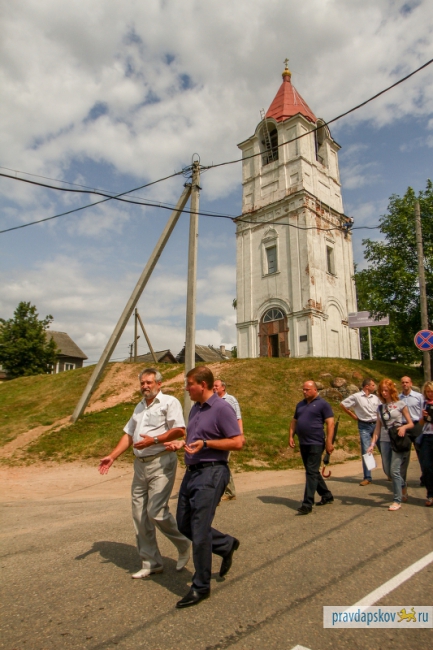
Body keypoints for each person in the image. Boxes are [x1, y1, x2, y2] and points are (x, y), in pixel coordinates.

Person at [98, 368, 191, 579]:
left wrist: (154, 440)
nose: (145, 386)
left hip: (161, 462)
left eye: (149, 382)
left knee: (156, 511)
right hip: (140, 465)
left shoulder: (169, 402)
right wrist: (112, 456)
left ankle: (183, 543)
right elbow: (128, 435)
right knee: (139, 514)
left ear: (159, 384)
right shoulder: (139, 407)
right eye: (142, 383)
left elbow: (179, 430)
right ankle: (151, 562)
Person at [164, 366, 244, 608]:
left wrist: (207, 444)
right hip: (192, 472)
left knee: (199, 529)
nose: (186, 388)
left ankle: (201, 587)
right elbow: (194, 437)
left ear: (203, 384)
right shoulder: (195, 408)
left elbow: (238, 442)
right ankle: (225, 544)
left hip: (212, 472)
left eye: (189, 384)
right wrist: (182, 444)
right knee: (184, 524)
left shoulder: (222, 408)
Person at [289, 381, 334, 515]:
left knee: (311, 472)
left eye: (307, 389)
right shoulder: (300, 404)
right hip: (303, 442)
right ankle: (326, 495)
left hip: (316, 442)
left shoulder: (323, 404)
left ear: (315, 390)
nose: (304, 392)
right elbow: (294, 421)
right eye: (303, 389)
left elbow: (330, 423)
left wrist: (329, 442)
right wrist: (291, 436)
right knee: (312, 471)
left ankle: (307, 503)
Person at [367, 378, 413, 511]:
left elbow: (410, 423)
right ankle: (403, 486)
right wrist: (372, 444)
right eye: (382, 390)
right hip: (384, 440)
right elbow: (377, 428)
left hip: (397, 439)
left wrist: (403, 427)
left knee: (394, 470)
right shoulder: (380, 408)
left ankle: (397, 500)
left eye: (386, 390)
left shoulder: (400, 404)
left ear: (391, 390)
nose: (384, 393)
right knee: (388, 471)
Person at [340, 378, 381, 486]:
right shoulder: (357, 397)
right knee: (366, 451)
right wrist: (353, 415)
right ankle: (367, 477)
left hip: (377, 425)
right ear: (367, 386)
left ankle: (390, 473)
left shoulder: (375, 397)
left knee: (384, 449)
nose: (374, 387)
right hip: (364, 426)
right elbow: (343, 404)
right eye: (373, 385)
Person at [213, 378, 243, 501]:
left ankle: (225, 492)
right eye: (213, 386)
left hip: (228, 437)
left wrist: (240, 435)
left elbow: (238, 418)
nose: (214, 388)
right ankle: (227, 491)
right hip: (216, 438)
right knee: (220, 462)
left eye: (216, 386)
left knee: (221, 463)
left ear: (223, 387)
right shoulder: (213, 400)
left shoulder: (230, 400)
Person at [399, 376, 424, 492]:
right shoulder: (398, 398)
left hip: (417, 425)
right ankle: (402, 482)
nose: (405, 384)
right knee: (404, 455)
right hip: (404, 426)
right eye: (403, 382)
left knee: (421, 453)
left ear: (411, 383)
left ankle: (425, 478)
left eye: (407, 382)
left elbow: (423, 411)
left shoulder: (418, 397)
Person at [419, 381, 433, 507]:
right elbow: (421, 423)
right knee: (427, 466)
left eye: (432, 391)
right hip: (427, 436)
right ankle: (430, 494)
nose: (430, 394)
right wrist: (424, 417)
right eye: (428, 391)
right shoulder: (424, 404)